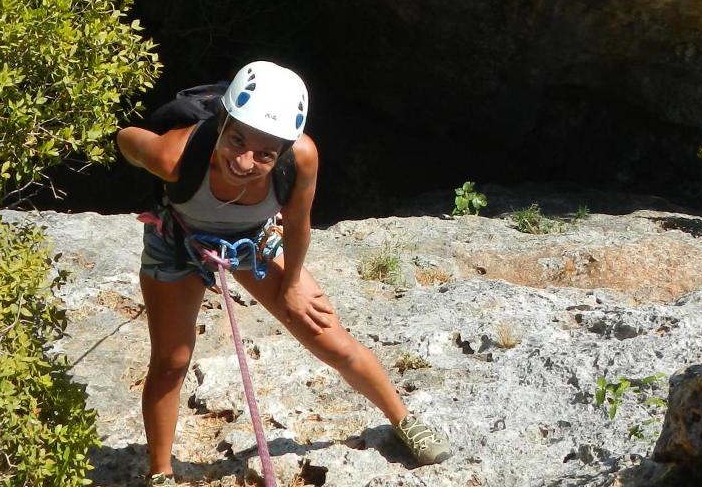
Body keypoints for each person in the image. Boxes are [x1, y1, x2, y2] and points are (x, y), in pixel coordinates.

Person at [116, 60, 452, 485]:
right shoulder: (176, 156)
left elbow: (297, 224)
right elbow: (126, 137)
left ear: (284, 150)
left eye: (265, 154)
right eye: (236, 139)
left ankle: (404, 421)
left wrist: (292, 283)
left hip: (251, 240)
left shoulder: (302, 157)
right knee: (171, 361)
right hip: (178, 241)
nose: (244, 160)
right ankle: (161, 473)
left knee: (328, 337)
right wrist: (139, 158)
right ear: (221, 120)